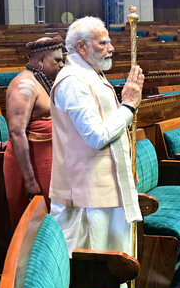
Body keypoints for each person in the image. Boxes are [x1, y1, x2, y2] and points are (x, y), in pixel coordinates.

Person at [50, 16, 145, 257]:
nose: (111, 48)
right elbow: (96, 136)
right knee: (96, 262)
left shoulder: (91, 74)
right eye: (103, 43)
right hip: (87, 195)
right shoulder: (73, 81)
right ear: (81, 47)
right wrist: (128, 106)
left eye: (109, 42)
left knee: (116, 260)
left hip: (104, 190)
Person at [4, 36, 64, 227]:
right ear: (41, 60)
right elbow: (16, 132)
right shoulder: (25, 85)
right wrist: (30, 180)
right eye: (57, 60)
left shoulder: (42, 82)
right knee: (34, 223)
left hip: (47, 160)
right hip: (30, 165)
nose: (62, 65)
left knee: (52, 220)